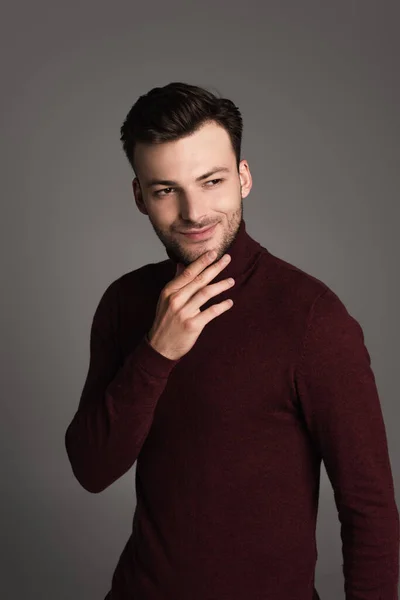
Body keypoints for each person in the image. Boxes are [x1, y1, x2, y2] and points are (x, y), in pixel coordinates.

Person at [65, 82, 399, 600]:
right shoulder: (125, 302)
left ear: (243, 178)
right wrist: (157, 353)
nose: (194, 212)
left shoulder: (311, 318)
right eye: (165, 189)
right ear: (139, 197)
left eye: (212, 180)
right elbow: (91, 468)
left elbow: (369, 508)